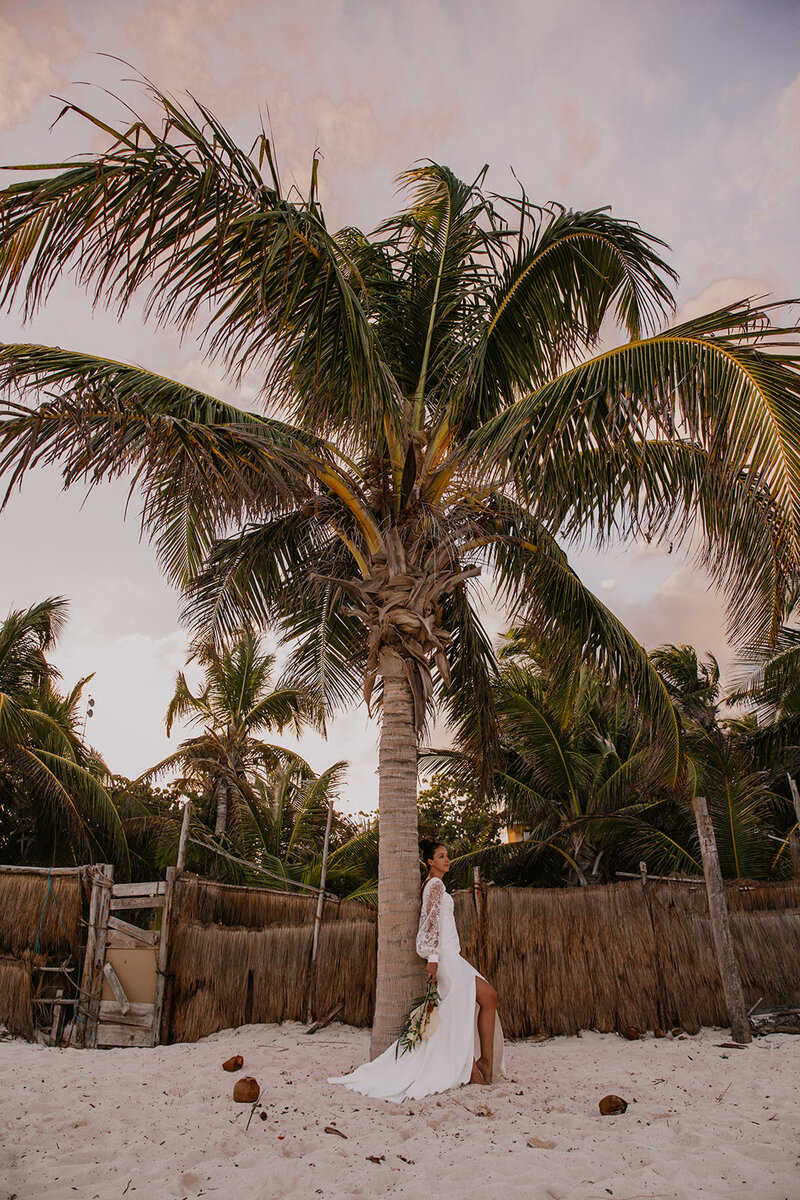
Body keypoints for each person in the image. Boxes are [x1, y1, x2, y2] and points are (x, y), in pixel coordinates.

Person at [329, 838, 504, 1102]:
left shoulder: (435, 885)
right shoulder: (435, 885)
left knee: (481, 1001)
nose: (447, 860)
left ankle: (483, 1065)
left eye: (447, 855)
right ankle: (477, 1067)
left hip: (452, 955)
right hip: (445, 958)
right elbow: (430, 922)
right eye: (441, 856)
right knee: (479, 1001)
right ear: (430, 862)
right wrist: (433, 958)